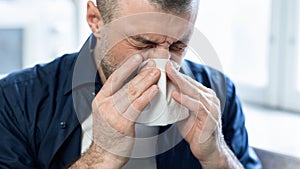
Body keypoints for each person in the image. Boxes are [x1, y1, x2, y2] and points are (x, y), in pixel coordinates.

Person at [0, 0, 262, 168]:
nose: (162, 63)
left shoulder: (217, 92)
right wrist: (103, 156)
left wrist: (217, 156)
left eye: (178, 46)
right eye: (143, 43)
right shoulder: (17, 100)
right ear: (95, 19)